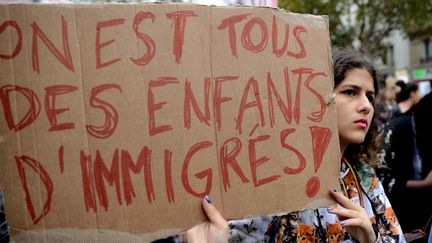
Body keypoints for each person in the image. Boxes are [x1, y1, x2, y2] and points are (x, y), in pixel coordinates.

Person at [183, 48, 405, 243]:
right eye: (350, 92)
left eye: (370, 96)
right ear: (316, 97)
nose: (366, 106)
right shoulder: (273, 177)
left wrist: (370, 238)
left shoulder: (364, 177)